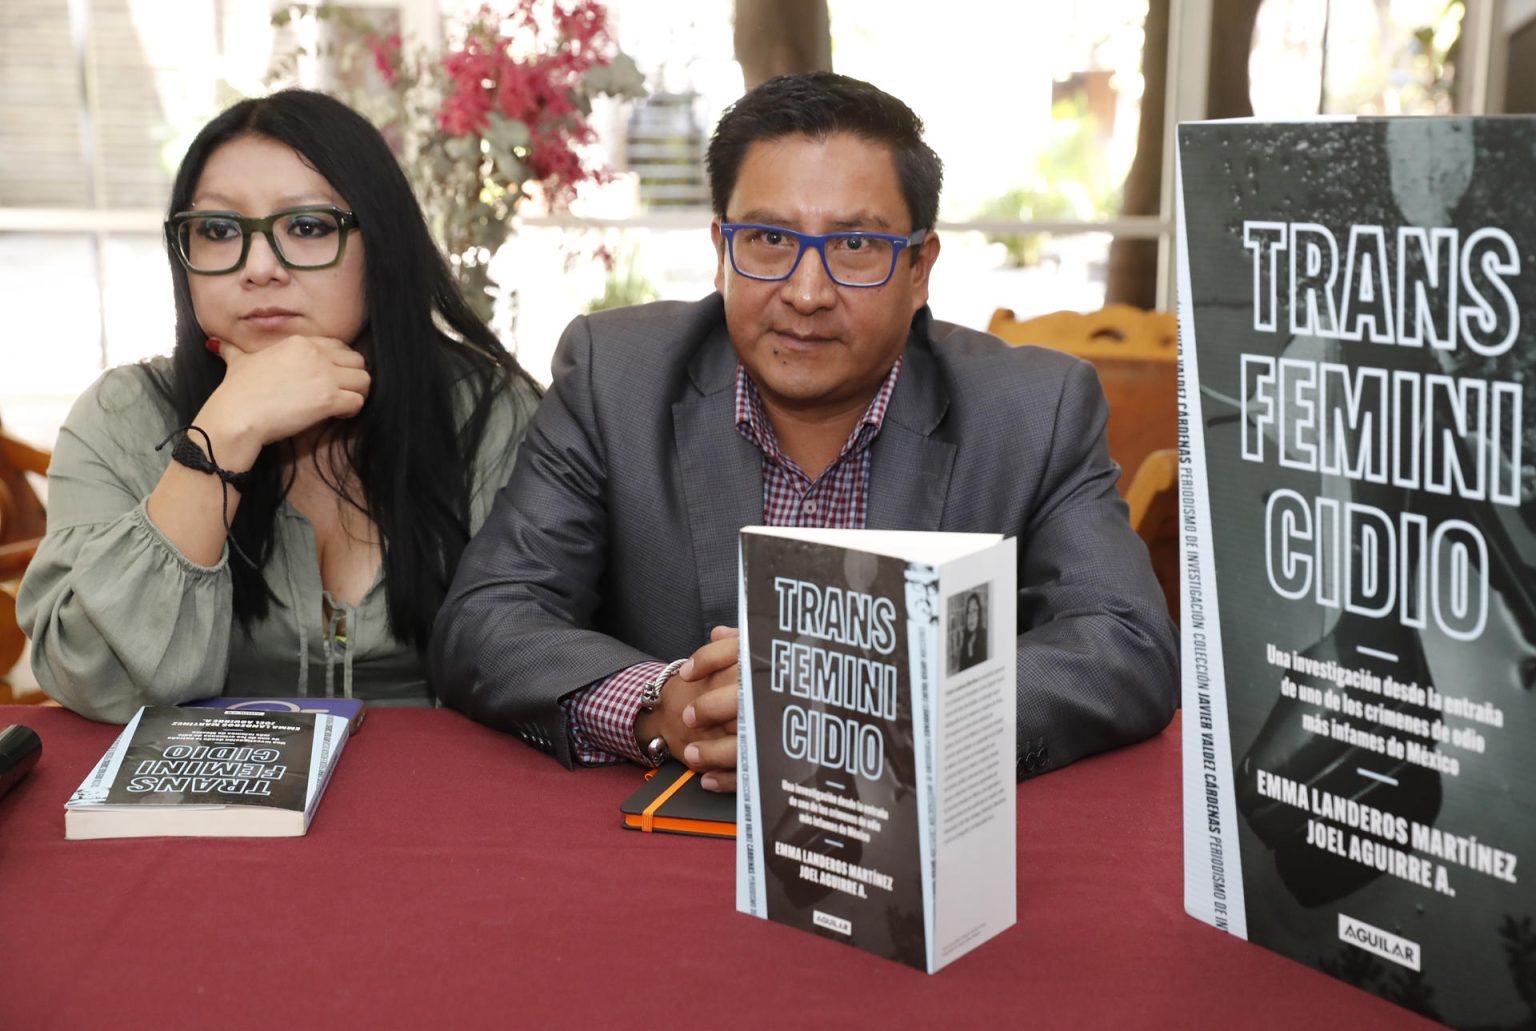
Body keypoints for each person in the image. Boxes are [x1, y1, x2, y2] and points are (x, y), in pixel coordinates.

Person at [430, 72, 1177, 788]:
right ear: (722, 251)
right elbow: (489, 617)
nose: (807, 292)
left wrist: (881, 712)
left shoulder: (1032, 408)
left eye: (855, 245)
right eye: (769, 240)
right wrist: (664, 705)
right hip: (664, 848)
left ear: (919, 269)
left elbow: (1126, 645)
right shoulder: (613, 376)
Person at [19, 89, 541, 722]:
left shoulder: (489, 413)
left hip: (432, 803)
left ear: (383, 244)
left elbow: (545, 663)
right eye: (217, 230)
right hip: (204, 811)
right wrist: (224, 432)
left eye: (308, 226)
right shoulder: (120, 416)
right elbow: (92, 679)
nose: (259, 267)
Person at [956, 591, 987, 673]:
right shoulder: (965, 637)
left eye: (974, 611)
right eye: (969, 612)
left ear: (979, 614)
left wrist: (970, 649)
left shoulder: (985, 636)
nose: (971, 617)